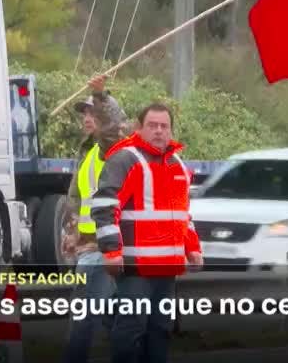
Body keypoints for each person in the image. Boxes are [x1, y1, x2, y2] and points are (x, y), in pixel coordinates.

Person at [91, 103, 204, 363]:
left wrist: (192, 248)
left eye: (164, 126)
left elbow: (183, 214)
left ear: (171, 131)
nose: (159, 131)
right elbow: (106, 206)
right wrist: (111, 251)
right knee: (131, 329)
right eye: (152, 125)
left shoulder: (177, 164)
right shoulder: (126, 159)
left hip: (166, 267)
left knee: (160, 331)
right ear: (138, 129)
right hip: (136, 267)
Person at [62, 74, 128, 363]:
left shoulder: (110, 149)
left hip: (103, 249)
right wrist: (72, 230)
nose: (88, 118)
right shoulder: (87, 151)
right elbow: (78, 198)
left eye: (93, 112)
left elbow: (113, 128)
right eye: (85, 113)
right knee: (115, 322)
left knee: (84, 320)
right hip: (90, 247)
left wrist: (102, 96)